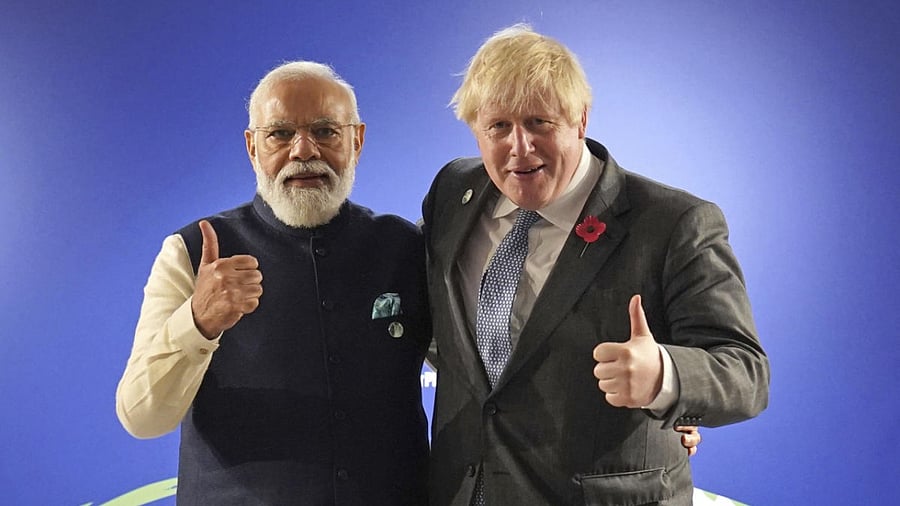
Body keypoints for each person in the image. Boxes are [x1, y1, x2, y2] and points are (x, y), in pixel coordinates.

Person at [421, 25, 769, 505]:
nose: (519, 147)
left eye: (539, 122)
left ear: (580, 119)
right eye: (498, 126)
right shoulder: (452, 193)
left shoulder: (674, 223)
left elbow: (745, 374)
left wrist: (665, 376)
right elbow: (452, 332)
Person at [115, 61, 431, 505]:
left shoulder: (406, 247)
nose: (303, 151)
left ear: (356, 141)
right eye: (280, 134)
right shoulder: (190, 252)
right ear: (252, 147)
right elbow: (141, 417)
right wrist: (197, 322)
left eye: (325, 131)